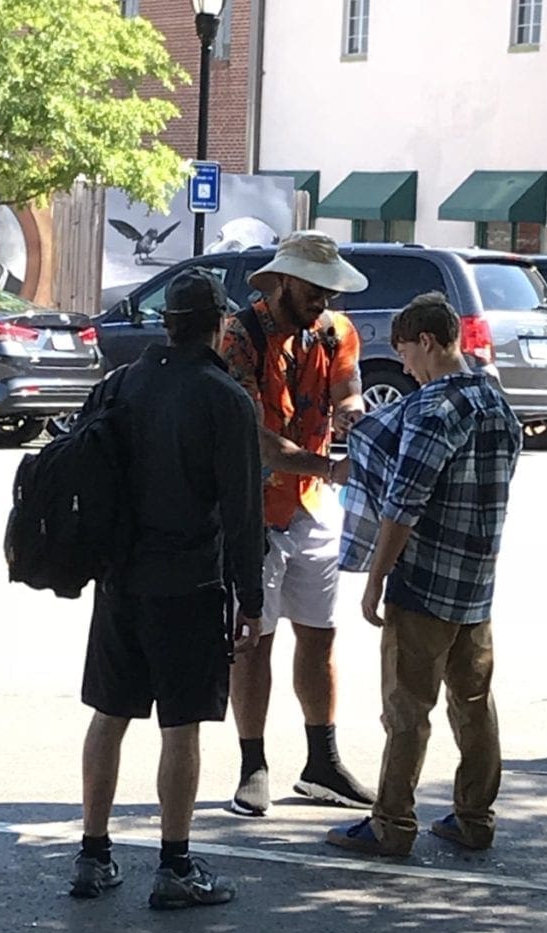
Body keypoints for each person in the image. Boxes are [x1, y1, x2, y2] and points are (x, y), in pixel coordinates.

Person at [70, 267, 264, 907]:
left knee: (111, 713)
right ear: (218, 324)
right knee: (181, 723)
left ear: (167, 322)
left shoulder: (122, 384)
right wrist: (251, 600)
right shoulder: (225, 398)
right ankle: (175, 866)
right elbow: (241, 512)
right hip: (187, 581)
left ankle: (93, 856)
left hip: (119, 578)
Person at [327, 292, 522, 857]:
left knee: (407, 709)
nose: (404, 365)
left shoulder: (434, 411)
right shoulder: (495, 399)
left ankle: (391, 823)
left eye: (407, 352)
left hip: (426, 582)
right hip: (477, 581)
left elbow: (402, 506)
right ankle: (475, 817)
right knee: (474, 703)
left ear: (428, 342)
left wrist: (374, 578)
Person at [220, 230, 376, 816]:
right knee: (253, 641)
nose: (325, 299)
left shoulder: (336, 331)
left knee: (320, 633)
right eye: (316, 287)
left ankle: (321, 762)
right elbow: (252, 439)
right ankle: (252, 763)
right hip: (255, 508)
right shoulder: (241, 334)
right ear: (285, 280)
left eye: (331, 289)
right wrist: (326, 466)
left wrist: (359, 424)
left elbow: (349, 396)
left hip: (311, 503)